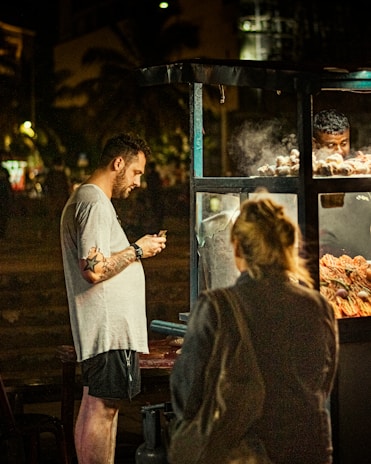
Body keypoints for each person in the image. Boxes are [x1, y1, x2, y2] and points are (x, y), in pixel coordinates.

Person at [169, 194, 339, 464]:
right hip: (310, 450)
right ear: (288, 244)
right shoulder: (319, 306)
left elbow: (186, 397)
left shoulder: (216, 307)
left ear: (237, 248)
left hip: (244, 453)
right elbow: (324, 382)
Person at [60, 133, 167, 464]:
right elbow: (92, 269)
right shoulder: (92, 202)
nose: (137, 182)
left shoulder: (92, 200)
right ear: (118, 163)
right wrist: (138, 249)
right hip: (106, 329)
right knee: (101, 408)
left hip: (106, 329)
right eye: (136, 172)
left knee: (100, 404)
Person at [313, 109, 371, 258]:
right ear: (315, 144)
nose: (339, 151)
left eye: (344, 143)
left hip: (363, 267)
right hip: (320, 266)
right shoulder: (309, 177)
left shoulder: (360, 173)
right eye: (331, 145)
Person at [0, 155, 13, 240]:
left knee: (3, 215)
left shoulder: (4, 171)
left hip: (3, 196)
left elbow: (8, 184)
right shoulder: (4, 171)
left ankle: (2, 233)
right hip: (3, 196)